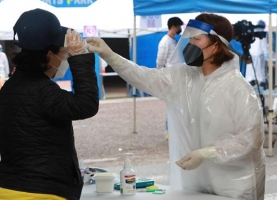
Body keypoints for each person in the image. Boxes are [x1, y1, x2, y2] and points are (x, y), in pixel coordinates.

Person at [86, 13, 265, 200]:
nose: (190, 44)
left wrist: (207, 153)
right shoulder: (184, 77)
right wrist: (111, 56)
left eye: (197, 39)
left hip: (234, 187)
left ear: (216, 46)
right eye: (190, 38)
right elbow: (144, 77)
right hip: (196, 185)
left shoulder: (238, 88)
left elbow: (251, 139)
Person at [0, 9, 99, 200]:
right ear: (50, 56)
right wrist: (80, 57)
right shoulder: (43, 91)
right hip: (42, 193)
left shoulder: (9, 88)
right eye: (64, 53)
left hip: (4, 189)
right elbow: (86, 104)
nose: (65, 58)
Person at [156, 17, 183, 139]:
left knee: (178, 104)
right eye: (179, 26)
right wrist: (161, 77)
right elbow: (160, 61)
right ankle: (168, 130)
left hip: (177, 77)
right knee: (172, 104)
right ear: (173, 26)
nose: (180, 29)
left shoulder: (173, 41)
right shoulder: (165, 42)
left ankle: (175, 129)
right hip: (170, 78)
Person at [245, 20, 268, 89]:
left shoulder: (252, 31)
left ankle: (251, 82)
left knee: (251, 70)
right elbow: (263, 45)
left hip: (251, 53)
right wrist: (266, 53)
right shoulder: (262, 33)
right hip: (259, 54)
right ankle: (262, 84)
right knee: (260, 70)